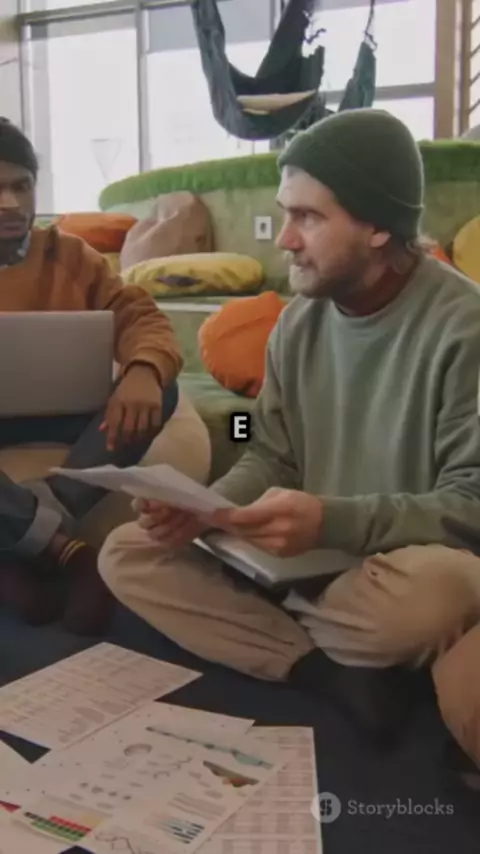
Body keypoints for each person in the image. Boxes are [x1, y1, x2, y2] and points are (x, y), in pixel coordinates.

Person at [98, 109, 480, 752]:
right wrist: (208, 509)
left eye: (308, 217)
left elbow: (470, 506)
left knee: (440, 593)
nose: (284, 240)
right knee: (127, 552)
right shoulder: (298, 324)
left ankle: (264, 627)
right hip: (299, 561)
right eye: (286, 214)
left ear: (378, 227)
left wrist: (330, 522)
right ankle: (324, 669)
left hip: (389, 568)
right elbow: (270, 454)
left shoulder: (464, 327)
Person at [0, 117, 194, 636]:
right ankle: (65, 551)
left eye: (21, 186)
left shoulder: (68, 254)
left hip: (67, 414)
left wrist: (143, 370)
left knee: (163, 388)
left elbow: (141, 316)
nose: (10, 203)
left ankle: (20, 543)